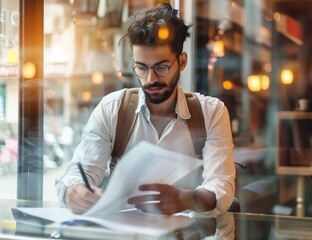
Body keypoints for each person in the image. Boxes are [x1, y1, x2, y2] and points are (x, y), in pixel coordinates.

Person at [55, 3, 235, 215]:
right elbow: (79, 172)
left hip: (188, 233)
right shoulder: (112, 109)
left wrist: (186, 199)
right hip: (124, 232)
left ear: (182, 61)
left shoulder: (211, 112)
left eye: (161, 67)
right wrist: (74, 192)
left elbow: (221, 185)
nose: (151, 79)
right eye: (141, 67)